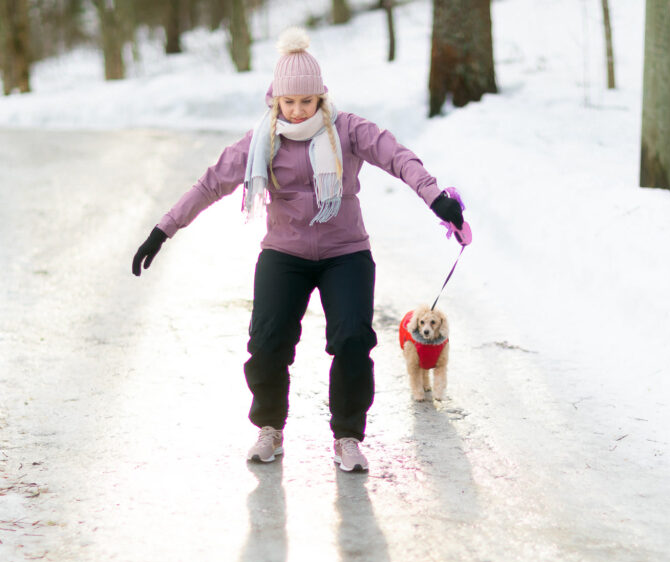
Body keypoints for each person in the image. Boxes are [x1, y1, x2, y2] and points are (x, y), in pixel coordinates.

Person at [132, 27, 467, 473]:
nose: (296, 110)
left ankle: (347, 437)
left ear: (320, 97)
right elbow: (211, 182)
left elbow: (398, 157)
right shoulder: (261, 142)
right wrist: (162, 230)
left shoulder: (348, 131)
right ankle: (269, 428)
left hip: (345, 251)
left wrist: (435, 198)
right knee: (267, 341)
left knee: (351, 340)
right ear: (275, 100)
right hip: (284, 253)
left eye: (305, 102)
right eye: (288, 102)